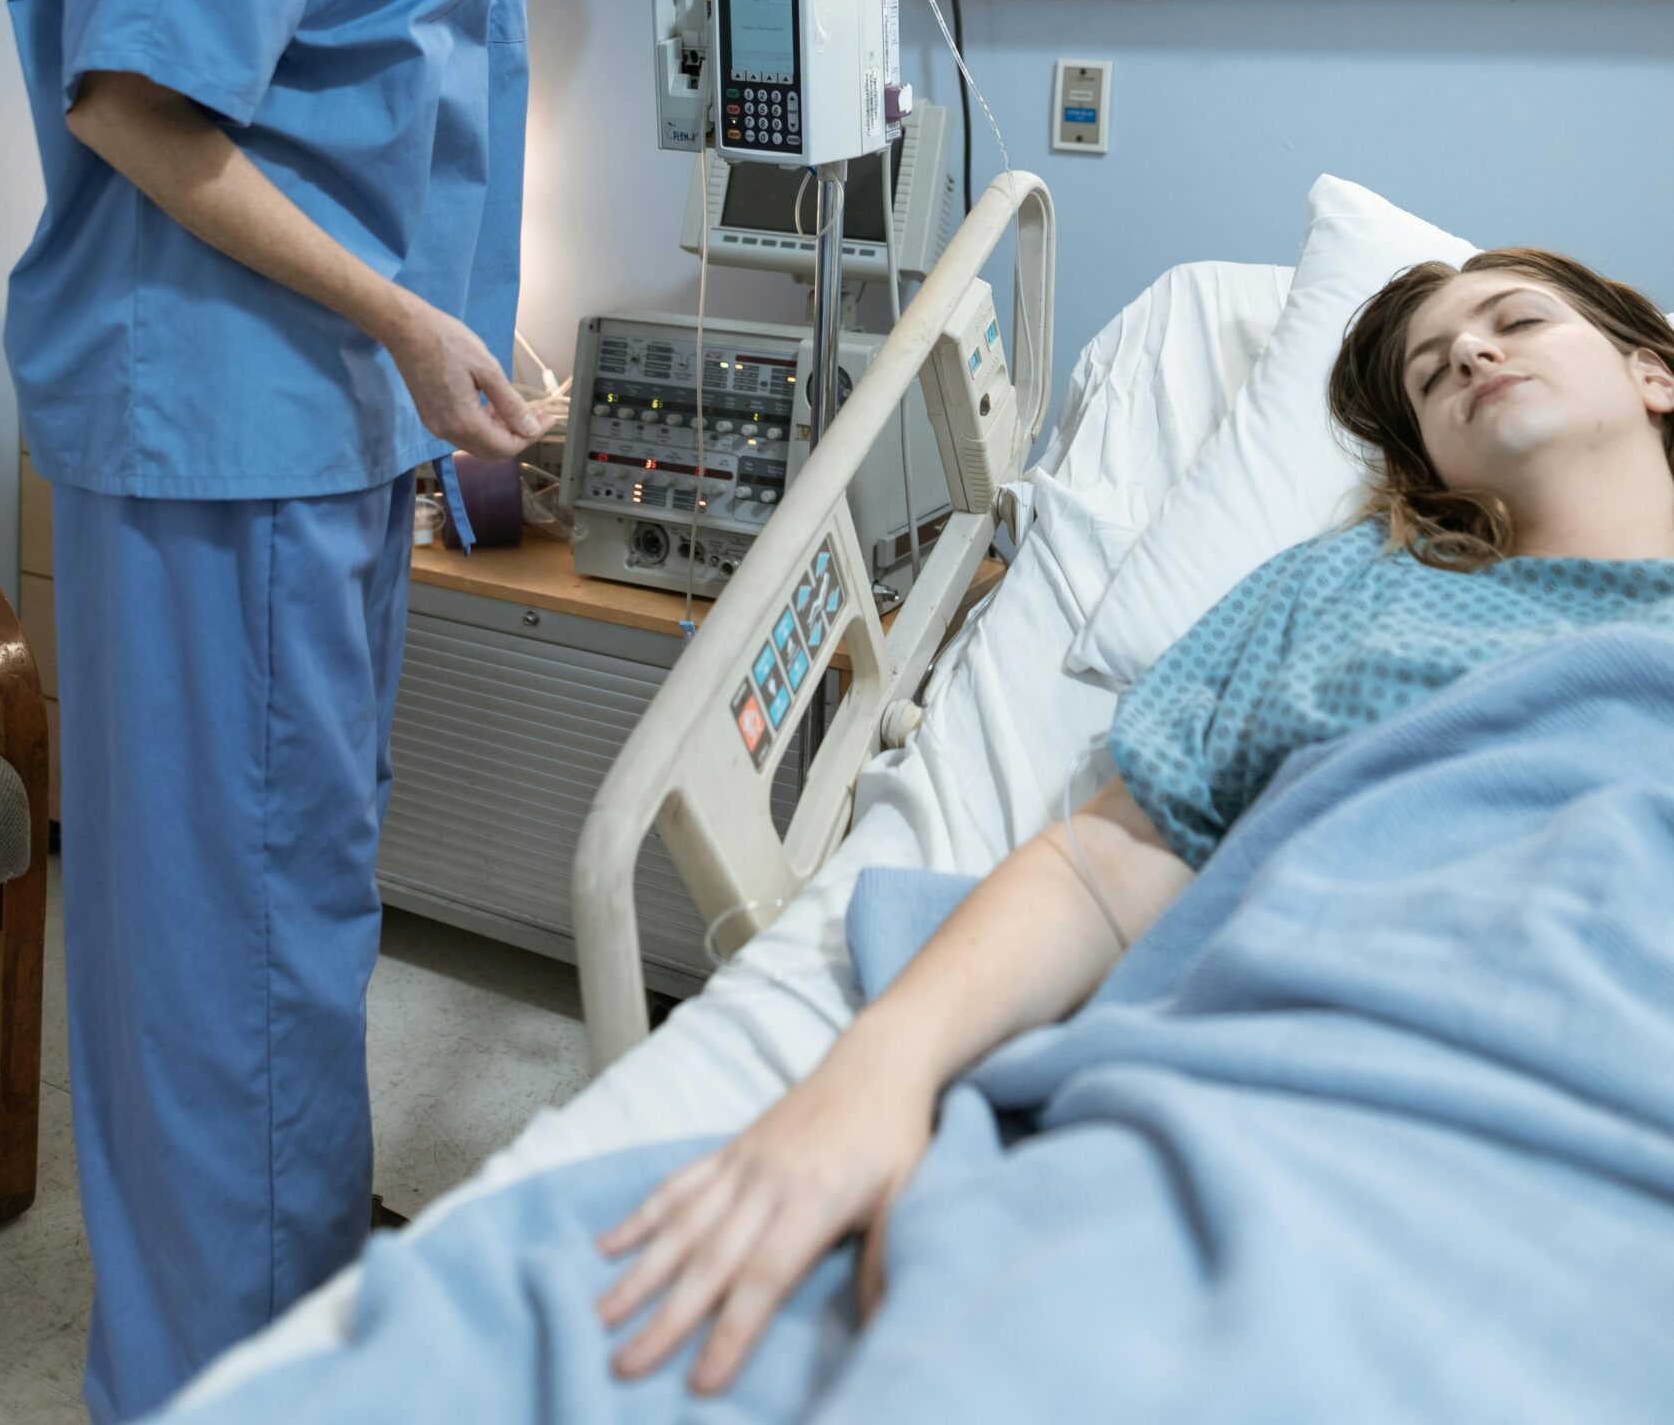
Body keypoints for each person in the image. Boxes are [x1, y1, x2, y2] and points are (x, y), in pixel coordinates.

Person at [4, 0, 888, 1425]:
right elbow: (136, 105)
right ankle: (211, 1383)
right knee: (220, 958)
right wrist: (411, 319)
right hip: (215, 421)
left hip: (314, 427)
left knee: (293, 912)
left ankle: (282, 1335)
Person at [595, 246, 1674, 1396]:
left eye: (1516, 320)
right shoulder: (1352, 584)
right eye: (1429, 372)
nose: (1470, 350)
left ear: (1653, 372)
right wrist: (876, 1073)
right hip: (1275, 1094)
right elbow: (1113, 862)